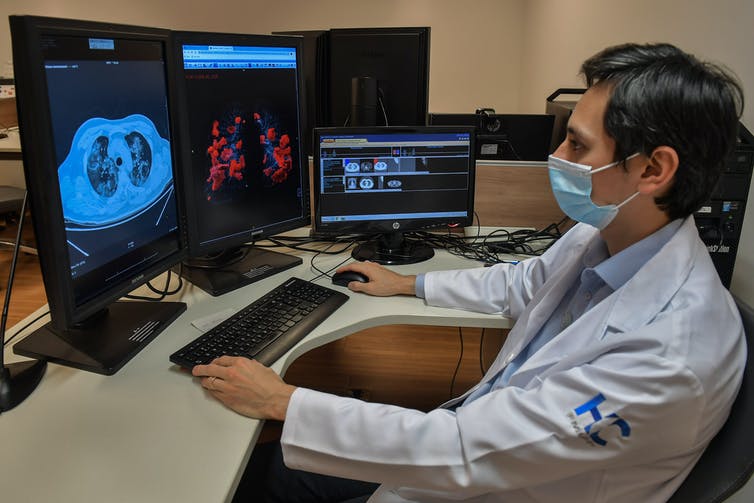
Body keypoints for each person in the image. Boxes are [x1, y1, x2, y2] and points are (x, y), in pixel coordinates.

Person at [193, 42, 747, 502]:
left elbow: (463, 450)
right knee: (279, 475)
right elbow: (524, 282)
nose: (556, 154)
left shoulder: (668, 361)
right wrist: (408, 284)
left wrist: (281, 401)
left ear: (653, 169)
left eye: (577, 143)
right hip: (476, 452)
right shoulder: (609, 234)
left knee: (269, 475)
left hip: (488, 478)